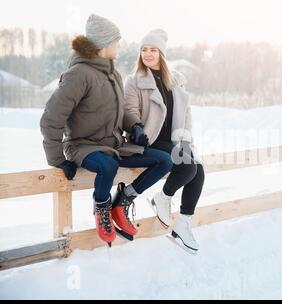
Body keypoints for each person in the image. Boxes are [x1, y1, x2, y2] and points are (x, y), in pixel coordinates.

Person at [40, 15, 173, 246]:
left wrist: (135, 126)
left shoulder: (113, 74)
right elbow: (51, 118)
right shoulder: (78, 75)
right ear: (103, 45)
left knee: (164, 161)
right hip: (83, 146)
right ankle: (102, 209)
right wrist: (58, 159)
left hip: (113, 145)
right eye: (116, 41)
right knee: (108, 166)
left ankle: (123, 200)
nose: (119, 46)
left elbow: (120, 112)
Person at [124, 29, 204, 252]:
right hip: (148, 140)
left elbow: (186, 115)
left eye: (153, 50)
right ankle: (162, 198)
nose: (147, 54)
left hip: (172, 141)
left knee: (199, 169)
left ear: (162, 53)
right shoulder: (134, 82)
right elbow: (129, 110)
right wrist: (136, 128)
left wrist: (186, 141)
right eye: (143, 50)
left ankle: (183, 225)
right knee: (188, 166)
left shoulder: (175, 82)